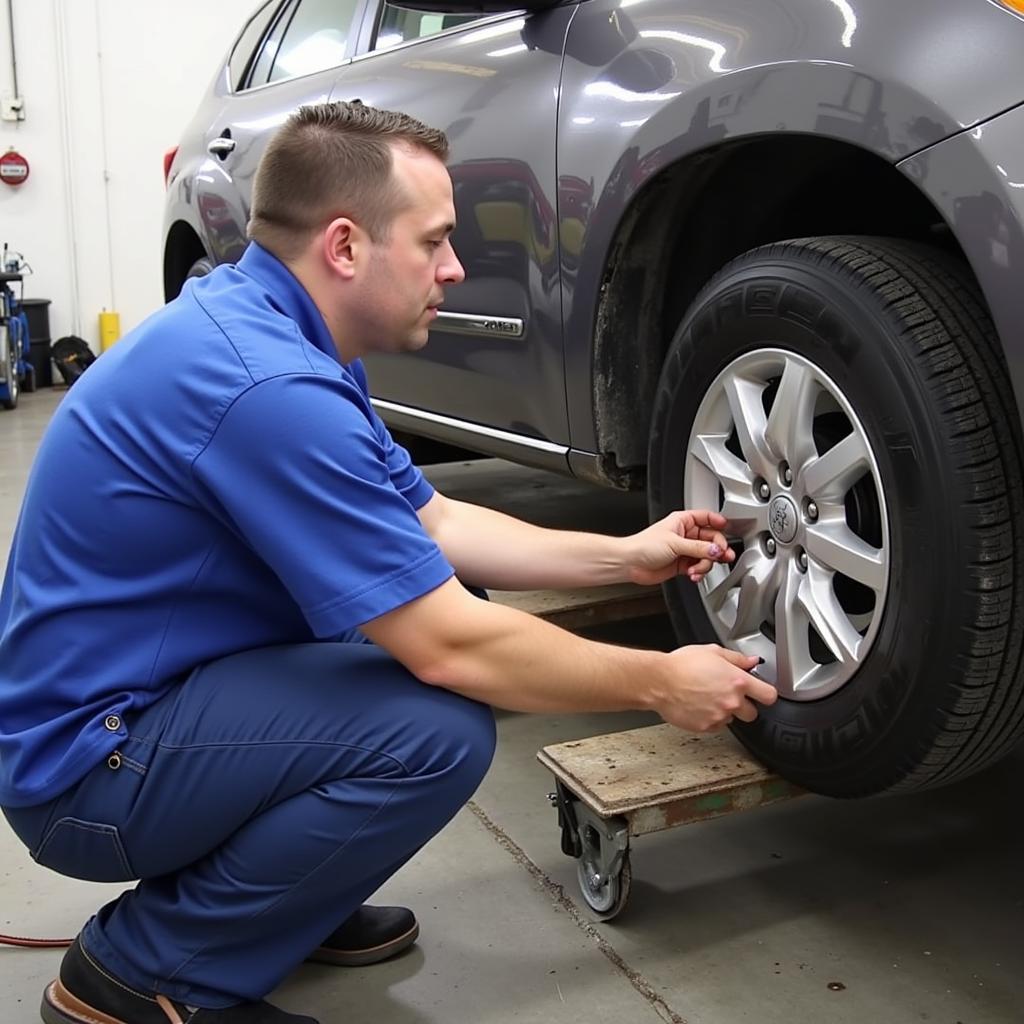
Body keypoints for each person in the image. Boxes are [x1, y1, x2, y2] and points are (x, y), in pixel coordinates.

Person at [0, 101, 776, 1024]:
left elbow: (434, 523)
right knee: (432, 726)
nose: (453, 268)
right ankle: (141, 976)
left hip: (146, 701)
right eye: (434, 240)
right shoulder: (272, 389)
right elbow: (452, 648)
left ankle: (281, 900)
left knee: (437, 627)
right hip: (92, 772)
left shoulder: (277, 329)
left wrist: (625, 554)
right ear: (344, 247)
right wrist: (658, 681)